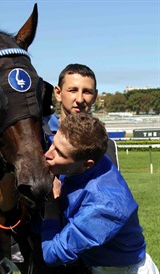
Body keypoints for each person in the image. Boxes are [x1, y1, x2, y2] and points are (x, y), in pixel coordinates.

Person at [42, 112, 159, 274]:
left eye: (59, 154)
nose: (48, 154)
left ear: (86, 165)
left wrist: (51, 203)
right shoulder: (84, 153)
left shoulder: (105, 206)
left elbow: (51, 254)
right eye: (53, 144)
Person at [43, 63, 119, 169]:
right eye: (73, 90)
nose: (80, 99)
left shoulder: (106, 145)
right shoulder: (38, 136)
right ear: (58, 93)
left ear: (95, 96)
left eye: (87, 92)